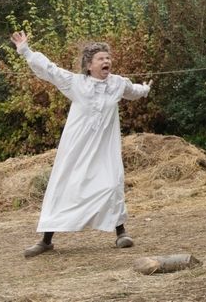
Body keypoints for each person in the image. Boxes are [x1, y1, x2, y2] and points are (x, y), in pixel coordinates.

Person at [9, 31, 151, 258]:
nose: (106, 61)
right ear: (88, 65)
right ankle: (46, 240)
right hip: (77, 147)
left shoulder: (117, 84)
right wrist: (25, 50)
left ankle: (121, 232)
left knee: (111, 185)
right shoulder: (75, 83)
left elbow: (133, 92)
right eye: (101, 59)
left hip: (104, 148)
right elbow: (50, 69)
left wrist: (145, 89)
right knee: (64, 186)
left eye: (108, 58)